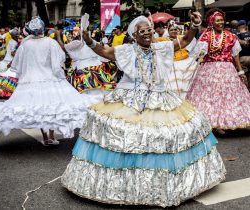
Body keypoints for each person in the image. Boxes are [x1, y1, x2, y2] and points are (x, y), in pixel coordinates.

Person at [62, 12, 226, 207]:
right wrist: (89, 41)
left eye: (149, 29)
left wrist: (195, 25)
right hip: (129, 97)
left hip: (159, 97)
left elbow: (185, 39)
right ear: (134, 35)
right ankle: (125, 185)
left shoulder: (162, 47)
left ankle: (165, 184)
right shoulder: (126, 50)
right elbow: (105, 52)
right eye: (143, 31)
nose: (148, 33)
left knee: (170, 135)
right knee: (127, 136)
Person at [0, 17, 90, 146]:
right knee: (52, 108)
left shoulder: (25, 44)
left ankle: (45, 136)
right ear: (43, 29)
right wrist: (60, 75)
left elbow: (18, 65)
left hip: (30, 80)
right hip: (49, 78)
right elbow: (56, 64)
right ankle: (51, 136)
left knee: (37, 110)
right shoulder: (50, 42)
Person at [186, 8, 250, 134]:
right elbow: (198, 54)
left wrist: (240, 72)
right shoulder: (206, 36)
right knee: (211, 97)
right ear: (211, 22)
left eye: (222, 20)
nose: (221, 22)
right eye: (217, 20)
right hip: (210, 70)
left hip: (227, 70)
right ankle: (215, 124)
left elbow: (235, 55)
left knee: (229, 97)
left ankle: (228, 121)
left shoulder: (231, 36)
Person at [55, 29, 117, 103]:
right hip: (97, 70)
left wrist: (58, 36)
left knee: (85, 99)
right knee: (101, 96)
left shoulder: (76, 44)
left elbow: (63, 48)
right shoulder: (95, 43)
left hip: (82, 71)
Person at [156, 20, 200, 99]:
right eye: (171, 30)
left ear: (178, 30)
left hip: (184, 63)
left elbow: (188, 40)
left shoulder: (181, 38)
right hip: (170, 65)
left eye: (175, 29)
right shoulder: (162, 39)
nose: (174, 31)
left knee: (185, 86)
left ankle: (184, 99)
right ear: (168, 31)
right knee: (171, 86)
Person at [0, 28, 19, 97]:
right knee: (9, 75)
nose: (17, 36)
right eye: (17, 35)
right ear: (14, 36)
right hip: (10, 60)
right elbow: (12, 53)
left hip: (7, 59)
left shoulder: (11, 40)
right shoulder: (14, 42)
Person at [237, 20, 250, 86]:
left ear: (239, 27)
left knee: (244, 75)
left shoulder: (238, 35)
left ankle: (246, 90)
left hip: (242, 58)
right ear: (246, 26)